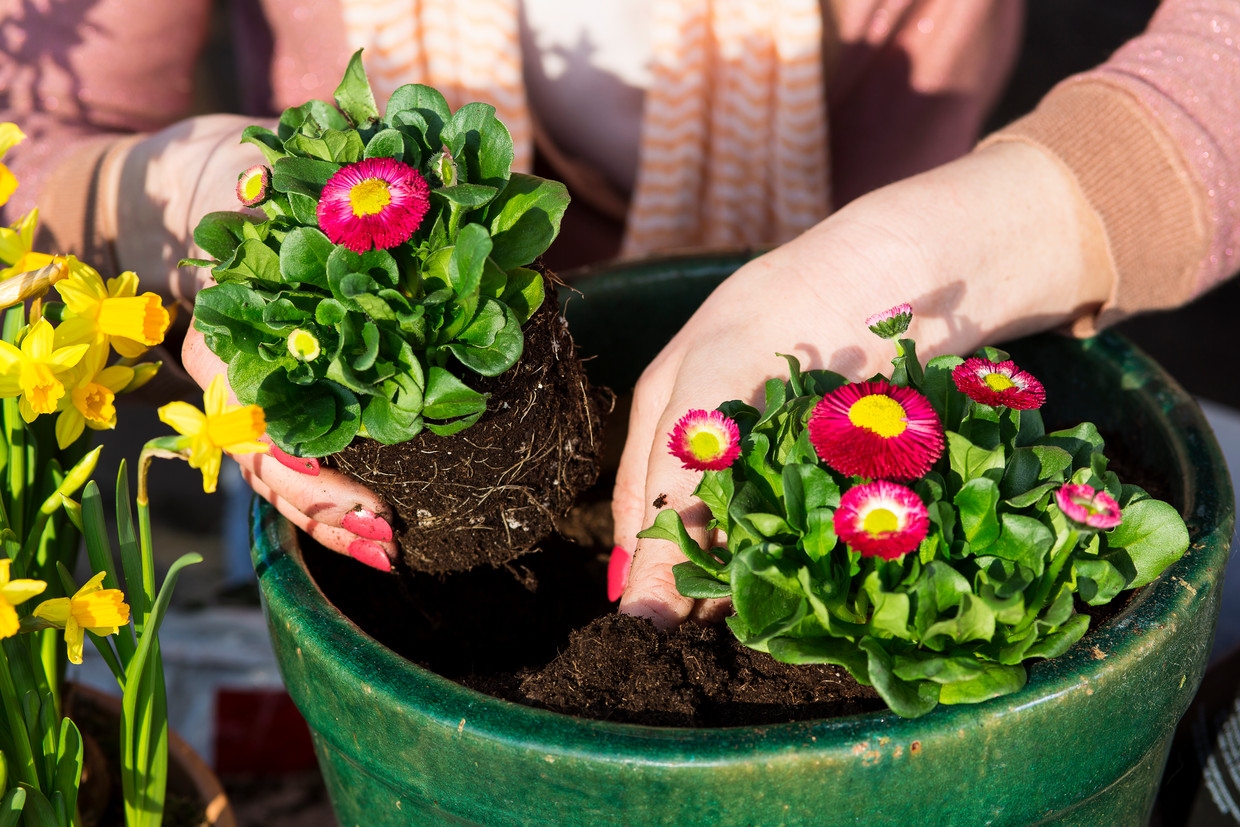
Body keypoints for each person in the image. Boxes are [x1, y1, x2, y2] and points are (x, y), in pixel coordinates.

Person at [1, 0, 1236, 630]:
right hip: (348, 502)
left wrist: (896, 256)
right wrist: (204, 191)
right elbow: (38, 121)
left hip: (913, 324)